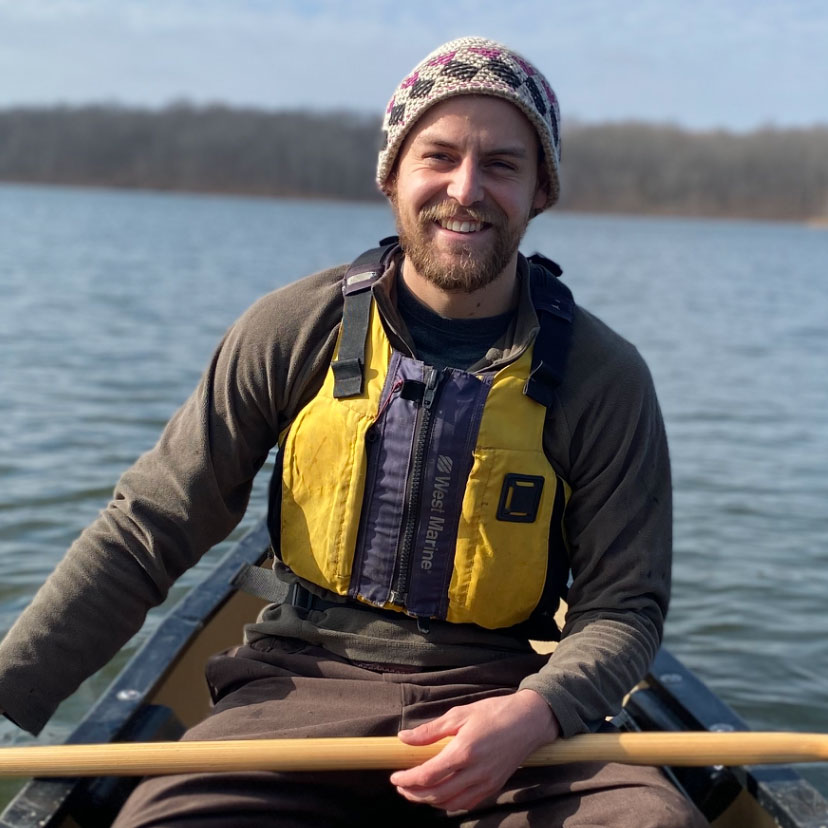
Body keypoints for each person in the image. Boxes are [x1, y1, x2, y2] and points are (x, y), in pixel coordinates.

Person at [0, 37, 705, 827]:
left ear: (541, 189)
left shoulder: (605, 377)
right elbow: (148, 529)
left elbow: (623, 606)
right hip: (293, 693)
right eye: (439, 156)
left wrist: (537, 712)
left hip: (506, 708)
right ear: (392, 175)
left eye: (502, 164)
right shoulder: (292, 329)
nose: (466, 189)